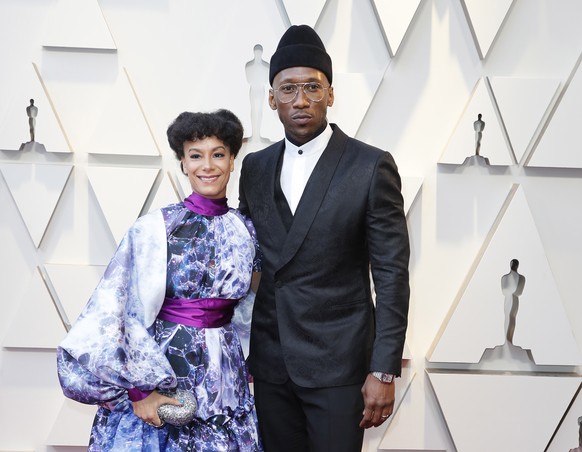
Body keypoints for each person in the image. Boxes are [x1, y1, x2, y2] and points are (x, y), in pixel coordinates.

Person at [238, 25, 410, 452]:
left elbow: (391, 275)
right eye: (289, 88)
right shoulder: (254, 168)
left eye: (312, 87)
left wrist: (383, 371)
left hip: (340, 366)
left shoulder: (370, 167)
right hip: (271, 365)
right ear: (271, 98)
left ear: (330, 94)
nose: (301, 100)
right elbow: (243, 259)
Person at [57, 109, 263, 451]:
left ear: (232, 160)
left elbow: (252, 307)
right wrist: (138, 391)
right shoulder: (156, 228)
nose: (207, 166)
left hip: (225, 379)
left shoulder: (246, 229)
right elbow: (119, 310)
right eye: (195, 156)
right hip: (164, 375)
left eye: (218, 154)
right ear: (182, 163)